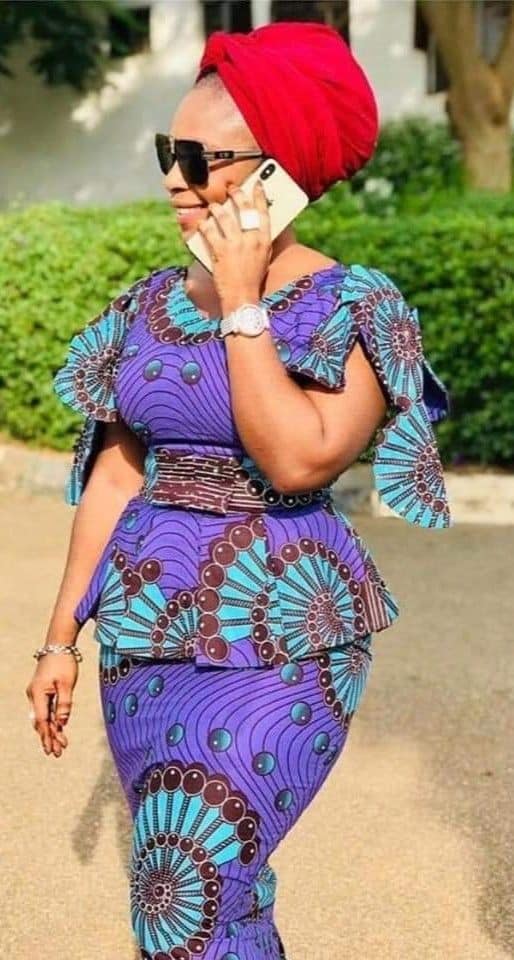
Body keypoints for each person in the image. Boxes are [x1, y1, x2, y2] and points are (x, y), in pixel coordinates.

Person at [26, 21, 452, 960]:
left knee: (195, 888)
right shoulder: (147, 303)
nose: (172, 179)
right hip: (145, 629)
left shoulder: (353, 305)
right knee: (193, 895)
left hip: (283, 636)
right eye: (164, 152)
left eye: (196, 158)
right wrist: (61, 638)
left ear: (277, 172)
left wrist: (243, 300)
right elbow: (117, 473)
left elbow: (300, 460)